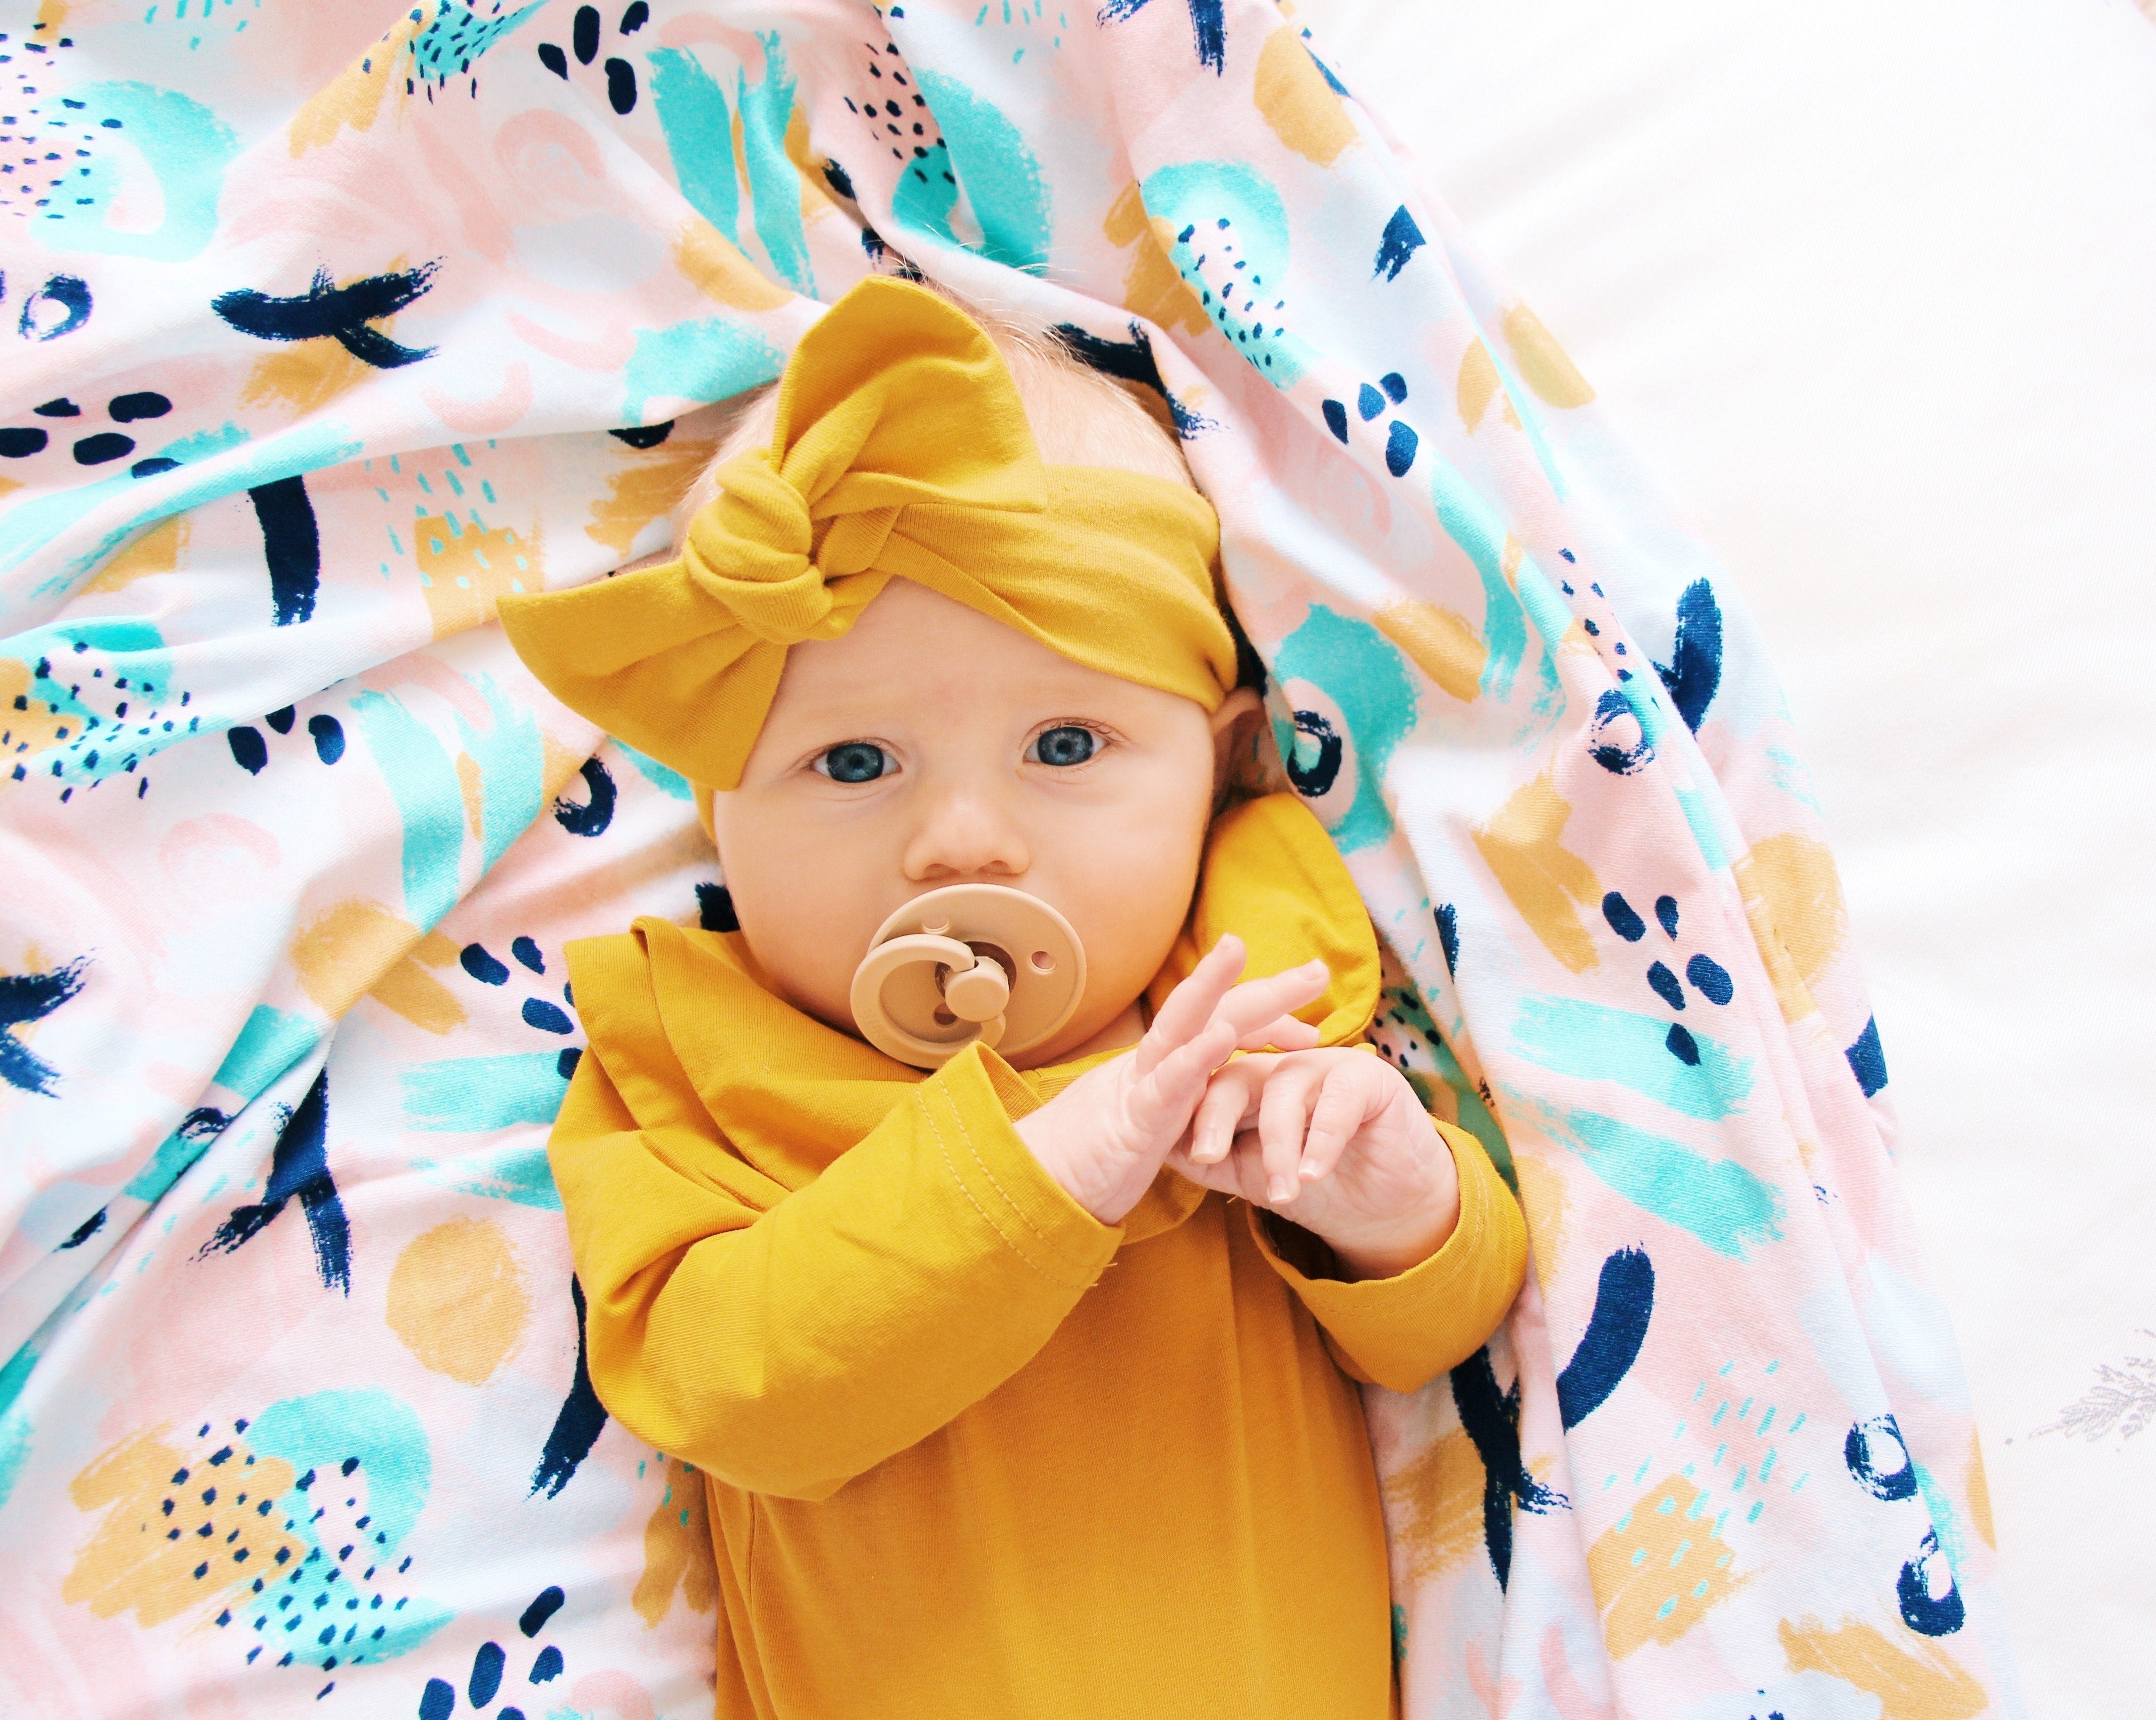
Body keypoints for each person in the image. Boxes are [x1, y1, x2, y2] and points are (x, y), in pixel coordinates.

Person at [497, 274, 1527, 1719]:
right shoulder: (699, 1060)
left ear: (1222, 762)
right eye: (855, 763)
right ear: (717, 811)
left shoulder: (1240, 998)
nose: (962, 842)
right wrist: (1047, 1170)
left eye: (1065, 744)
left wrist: (1399, 1204)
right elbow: (723, 1396)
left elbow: (1438, 1334)